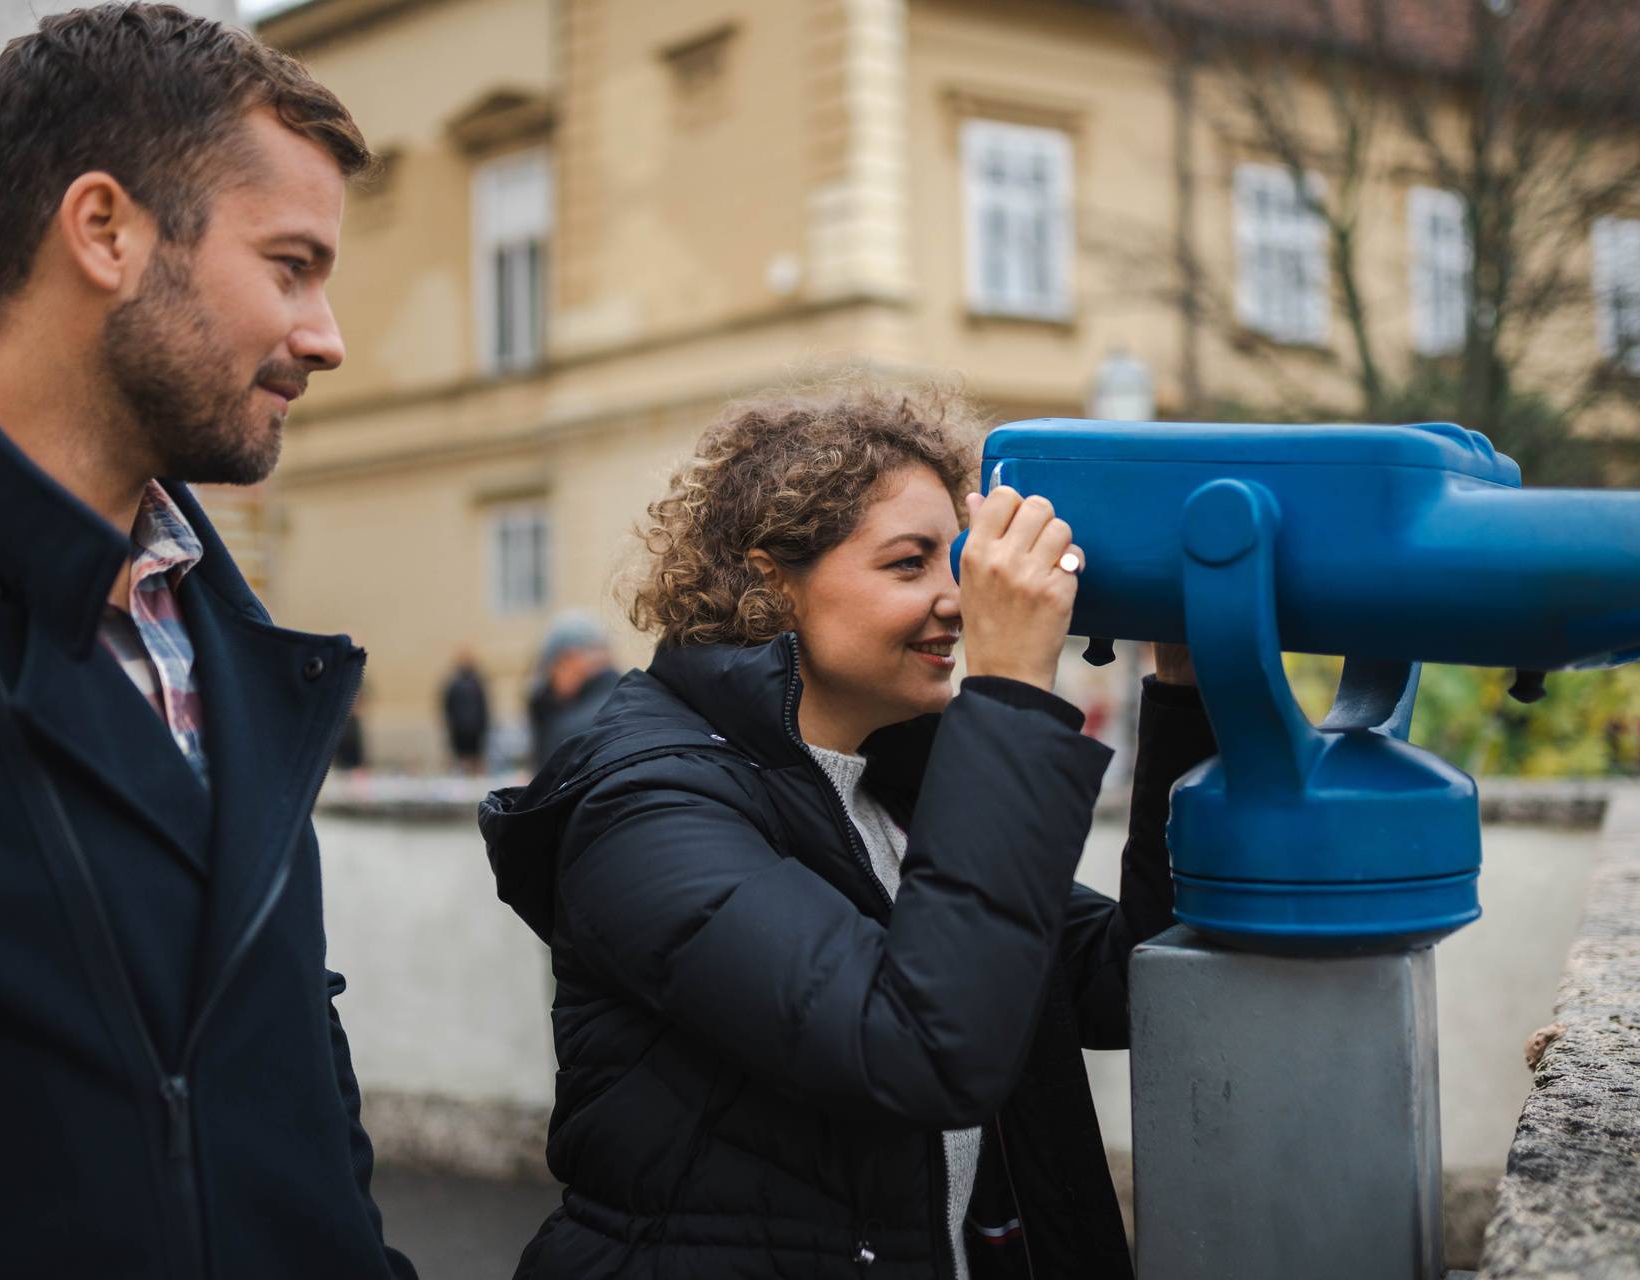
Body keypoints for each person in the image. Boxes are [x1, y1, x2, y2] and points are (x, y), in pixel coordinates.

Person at [0, 6, 414, 1277]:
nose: (326, 336)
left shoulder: (236, 633)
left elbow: (289, 1055)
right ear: (105, 229)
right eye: (291, 264)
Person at [481, 386, 1215, 1278]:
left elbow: (1132, 976)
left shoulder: (894, 786)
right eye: (910, 565)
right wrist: (1014, 692)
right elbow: (916, 1048)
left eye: (957, 561)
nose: (956, 599)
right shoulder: (644, 807)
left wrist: (1181, 686)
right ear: (769, 582)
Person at [526, 611, 620, 768]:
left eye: (551, 667)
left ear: (569, 659)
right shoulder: (628, 700)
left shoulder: (570, 732)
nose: (550, 680)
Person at [442, 649, 492, 773]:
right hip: (462, 730)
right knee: (463, 760)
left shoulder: (476, 682)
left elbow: (483, 706)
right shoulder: (456, 684)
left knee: (474, 760)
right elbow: (448, 707)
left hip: (474, 729)